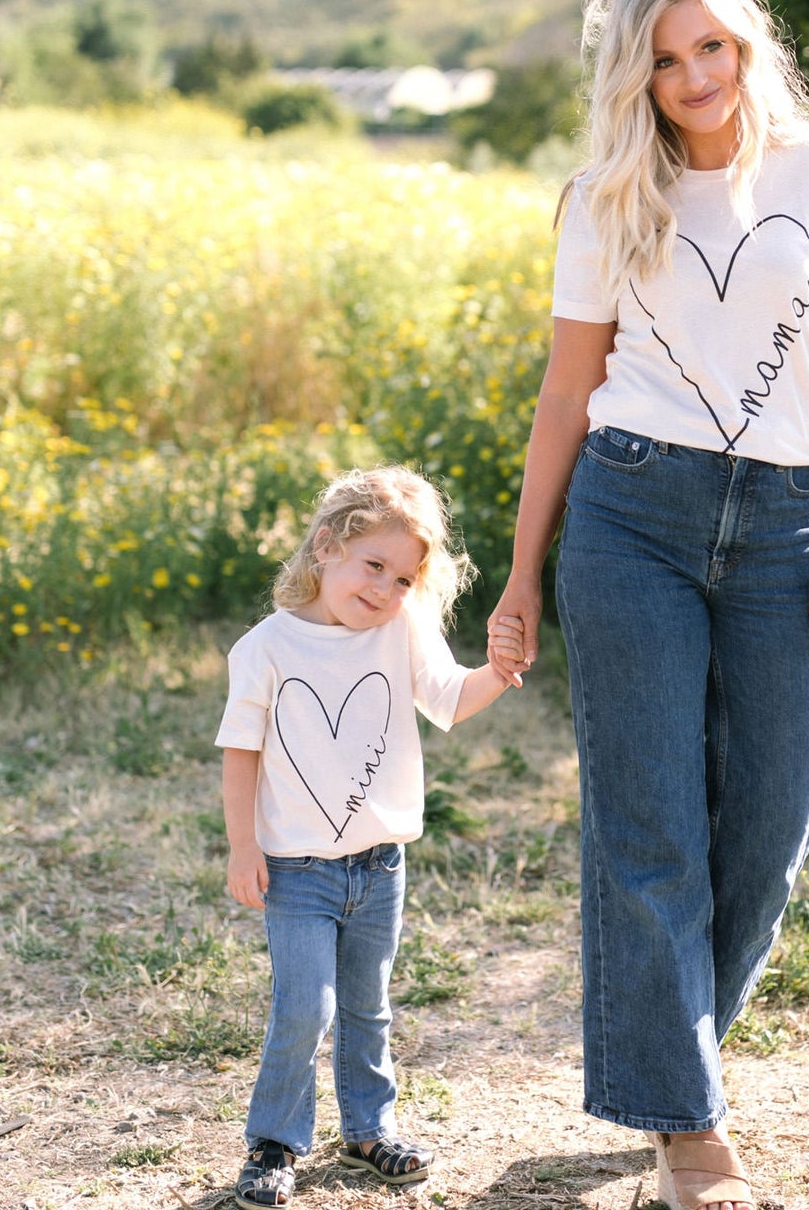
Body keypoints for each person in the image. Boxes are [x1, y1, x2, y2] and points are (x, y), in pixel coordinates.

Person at [486, 0, 809, 1210]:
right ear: (636, 78)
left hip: (784, 526)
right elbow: (567, 391)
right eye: (665, 61)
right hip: (632, 516)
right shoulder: (608, 196)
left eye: (712, 45)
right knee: (651, 822)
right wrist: (521, 576)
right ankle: (689, 1124)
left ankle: (670, 1060)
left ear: (746, 41)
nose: (696, 76)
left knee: (781, 804)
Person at [218, 465, 515, 1210]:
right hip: (296, 870)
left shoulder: (399, 631)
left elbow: (449, 699)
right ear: (327, 547)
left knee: (367, 1005)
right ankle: (274, 1142)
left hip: (381, 867)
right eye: (373, 565)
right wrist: (243, 848)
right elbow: (240, 752)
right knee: (304, 1009)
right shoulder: (265, 648)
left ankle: (369, 1129)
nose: (385, 589)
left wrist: (501, 670)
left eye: (404, 578)